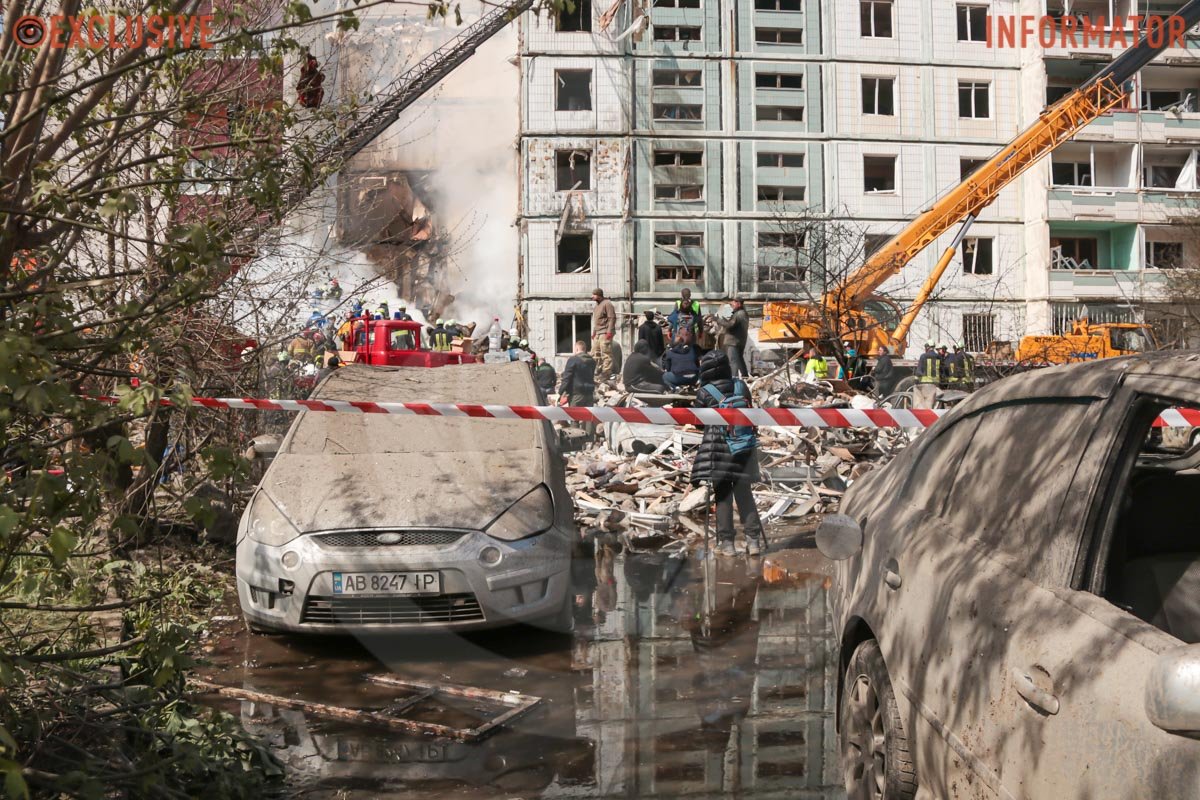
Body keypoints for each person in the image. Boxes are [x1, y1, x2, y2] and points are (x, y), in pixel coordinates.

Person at [690, 351, 765, 557]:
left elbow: (697, 423)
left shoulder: (704, 392)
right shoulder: (741, 386)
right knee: (744, 493)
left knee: (723, 495)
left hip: (718, 450)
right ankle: (753, 542)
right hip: (743, 448)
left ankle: (727, 544)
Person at [559, 340, 597, 437]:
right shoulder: (592, 361)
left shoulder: (573, 360)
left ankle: (576, 442)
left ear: (576, 349)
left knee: (574, 417)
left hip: (576, 394)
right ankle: (588, 441)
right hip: (589, 393)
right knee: (588, 417)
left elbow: (567, 378)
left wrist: (560, 392)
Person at [715, 298, 751, 378]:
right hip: (740, 341)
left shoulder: (738, 314)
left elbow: (730, 325)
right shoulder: (743, 314)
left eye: (733, 304)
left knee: (733, 361)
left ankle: (734, 379)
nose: (732, 306)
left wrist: (718, 320)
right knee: (739, 360)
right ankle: (745, 377)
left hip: (733, 342)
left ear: (738, 304)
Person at [590, 288, 616, 379]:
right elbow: (596, 321)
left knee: (606, 352)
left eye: (594, 295)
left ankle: (607, 372)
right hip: (598, 332)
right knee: (594, 353)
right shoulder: (597, 306)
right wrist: (594, 332)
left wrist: (609, 331)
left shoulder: (607, 304)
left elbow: (612, 318)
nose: (592, 296)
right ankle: (598, 370)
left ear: (599, 295)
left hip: (605, 332)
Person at [914, 341, 941, 409]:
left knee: (925, 403)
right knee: (934, 403)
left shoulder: (923, 356)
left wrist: (916, 379)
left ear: (927, 347)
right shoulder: (938, 356)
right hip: (936, 383)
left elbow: (919, 370)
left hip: (925, 383)